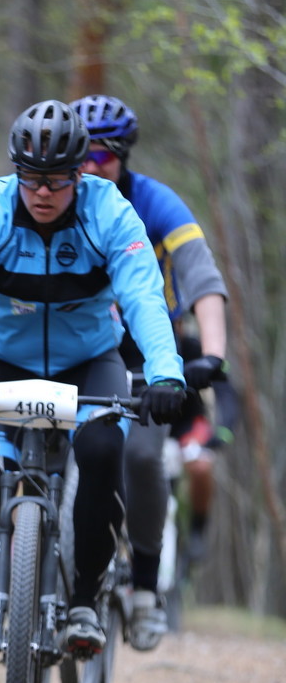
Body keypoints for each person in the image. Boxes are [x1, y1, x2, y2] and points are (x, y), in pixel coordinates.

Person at [0, 99, 184, 671]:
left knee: (105, 452)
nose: (43, 192)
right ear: (15, 173)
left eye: (56, 180)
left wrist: (165, 373)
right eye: (31, 178)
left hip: (89, 362)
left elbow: (144, 298)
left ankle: (83, 604)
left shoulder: (111, 211)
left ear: (80, 174)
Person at [71, 93, 229, 648]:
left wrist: (211, 353)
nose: (91, 166)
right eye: (81, 154)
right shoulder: (50, 194)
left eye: (103, 155)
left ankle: (143, 585)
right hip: (72, 345)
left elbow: (201, 276)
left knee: (140, 456)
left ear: (125, 156)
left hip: (145, 350)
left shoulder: (155, 202)